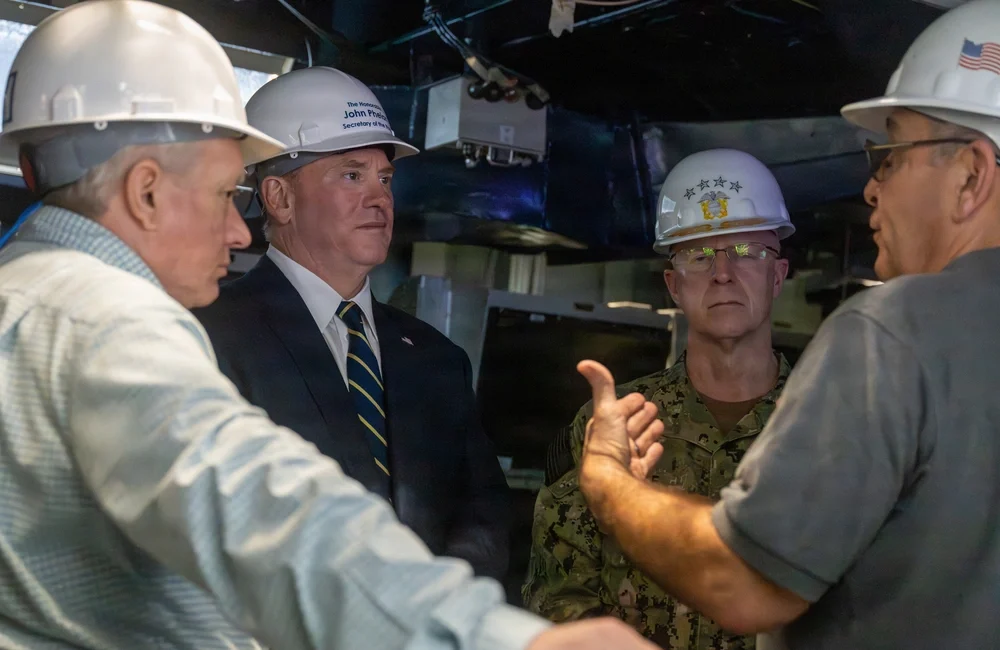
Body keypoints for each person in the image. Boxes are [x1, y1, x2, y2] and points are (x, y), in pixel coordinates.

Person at [0, 2, 663, 649]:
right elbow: (261, 513)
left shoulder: (25, 296)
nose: (238, 231)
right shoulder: (106, 321)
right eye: (222, 196)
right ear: (145, 190)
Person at [570, 1, 1000, 648]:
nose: (872, 189)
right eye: (698, 256)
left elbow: (742, 581)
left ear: (971, 175)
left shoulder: (894, 335)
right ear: (671, 280)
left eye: (890, 156)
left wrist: (609, 484)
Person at [191, 67, 512, 581]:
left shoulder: (437, 359)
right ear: (279, 198)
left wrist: (426, 613)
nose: (379, 197)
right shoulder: (211, 337)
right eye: (351, 175)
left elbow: (485, 515)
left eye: (384, 178)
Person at [522, 148, 794, 649]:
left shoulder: (828, 424)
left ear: (777, 275)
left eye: (747, 252)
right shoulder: (615, 425)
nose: (723, 273)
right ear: (673, 285)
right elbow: (560, 601)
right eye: (698, 255)